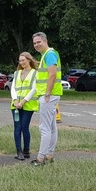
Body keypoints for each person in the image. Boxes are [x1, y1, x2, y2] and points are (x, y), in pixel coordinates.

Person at [31, 31, 63, 166]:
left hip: (48, 96)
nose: (36, 45)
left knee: (44, 128)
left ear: (45, 41)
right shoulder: (47, 55)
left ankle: (41, 158)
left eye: (39, 42)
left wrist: (47, 94)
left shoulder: (49, 55)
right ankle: (49, 155)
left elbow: (52, 75)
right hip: (51, 95)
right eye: (34, 43)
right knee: (51, 127)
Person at [10, 52, 39, 161]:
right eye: (20, 60)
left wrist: (23, 102)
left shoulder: (35, 73)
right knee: (17, 128)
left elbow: (33, 89)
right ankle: (19, 151)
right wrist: (16, 101)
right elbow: (13, 88)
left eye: (23, 60)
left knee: (24, 127)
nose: (21, 62)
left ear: (29, 60)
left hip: (28, 105)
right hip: (16, 105)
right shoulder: (17, 73)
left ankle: (26, 150)